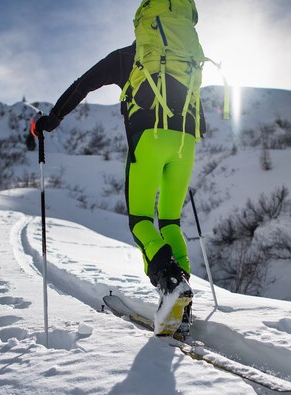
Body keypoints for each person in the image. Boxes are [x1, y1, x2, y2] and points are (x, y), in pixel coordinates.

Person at [35, 36, 206, 336]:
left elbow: (83, 84)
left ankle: (172, 283)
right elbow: (200, 116)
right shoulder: (185, 55)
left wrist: (51, 119)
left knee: (140, 220)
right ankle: (183, 303)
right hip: (185, 144)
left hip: (149, 140)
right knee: (169, 221)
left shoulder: (131, 55)